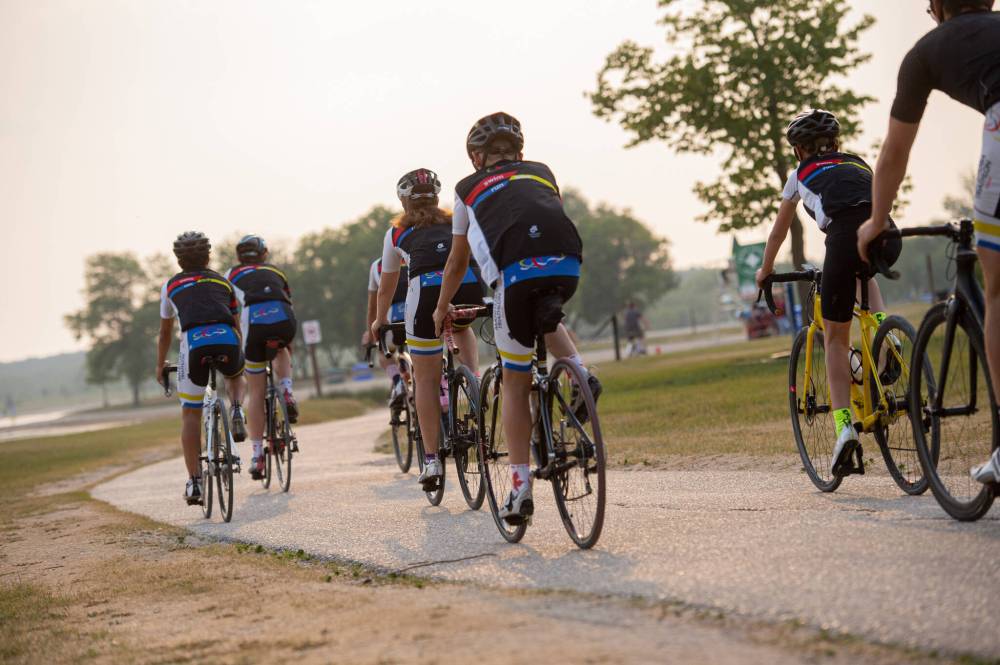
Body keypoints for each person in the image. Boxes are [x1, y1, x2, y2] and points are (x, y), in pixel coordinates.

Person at [432, 112, 602, 525]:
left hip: (515, 275)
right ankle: (581, 372)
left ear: (476, 157)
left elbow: (457, 260)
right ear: (519, 152)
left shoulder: (466, 189)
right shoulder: (542, 171)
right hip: (567, 264)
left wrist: (441, 307)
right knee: (545, 316)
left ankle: (519, 487)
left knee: (514, 380)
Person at [855, 0, 1000, 484]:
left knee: (996, 287)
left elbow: (895, 150)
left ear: (937, 7)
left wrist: (876, 220)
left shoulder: (926, 52)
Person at [755, 109, 901, 478]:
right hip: (887, 232)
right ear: (836, 143)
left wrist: (765, 270)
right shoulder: (857, 162)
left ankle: (843, 430)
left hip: (843, 237)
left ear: (798, 150)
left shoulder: (797, 176)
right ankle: (887, 336)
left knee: (835, 340)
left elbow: (778, 233)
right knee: (863, 272)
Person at [371, 168, 485, 492]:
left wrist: (380, 321)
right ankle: (473, 381)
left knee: (425, 378)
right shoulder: (454, 221)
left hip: (425, 293)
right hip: (467, 284)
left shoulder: (395, 232)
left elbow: (386, 287)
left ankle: (432, 459)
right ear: (436, 197)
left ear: (404, 201)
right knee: (462, 327)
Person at [156, 232, 246, 505]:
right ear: (209, 256)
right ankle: (237, 408)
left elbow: (165, 333)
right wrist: (237, 353)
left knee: (190, 413)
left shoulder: (170, 286)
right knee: (234, 373)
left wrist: (160, 365)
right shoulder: (223, 281)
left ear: (178, 260)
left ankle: (195, 481)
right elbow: (236, 324)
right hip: (226, 339)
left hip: (193, 345)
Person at [225, 235, 298, 481]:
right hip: (284, 319)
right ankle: (287, 390)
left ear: (239, 257)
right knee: (282, 349)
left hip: (254, 324)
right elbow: (290, 301)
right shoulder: (276, 271)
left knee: (256, 392)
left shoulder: (231, 275)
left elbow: (229, 310)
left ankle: (257, 456)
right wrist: (291, 342)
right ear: (264, 254)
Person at [364, 256, 409, 407]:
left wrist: (371, 337)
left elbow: (372, 309)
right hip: (418, 312)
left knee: (383, 353)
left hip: (392, 319)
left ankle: (397, 383)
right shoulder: (415, 252)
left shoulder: (377, 265)